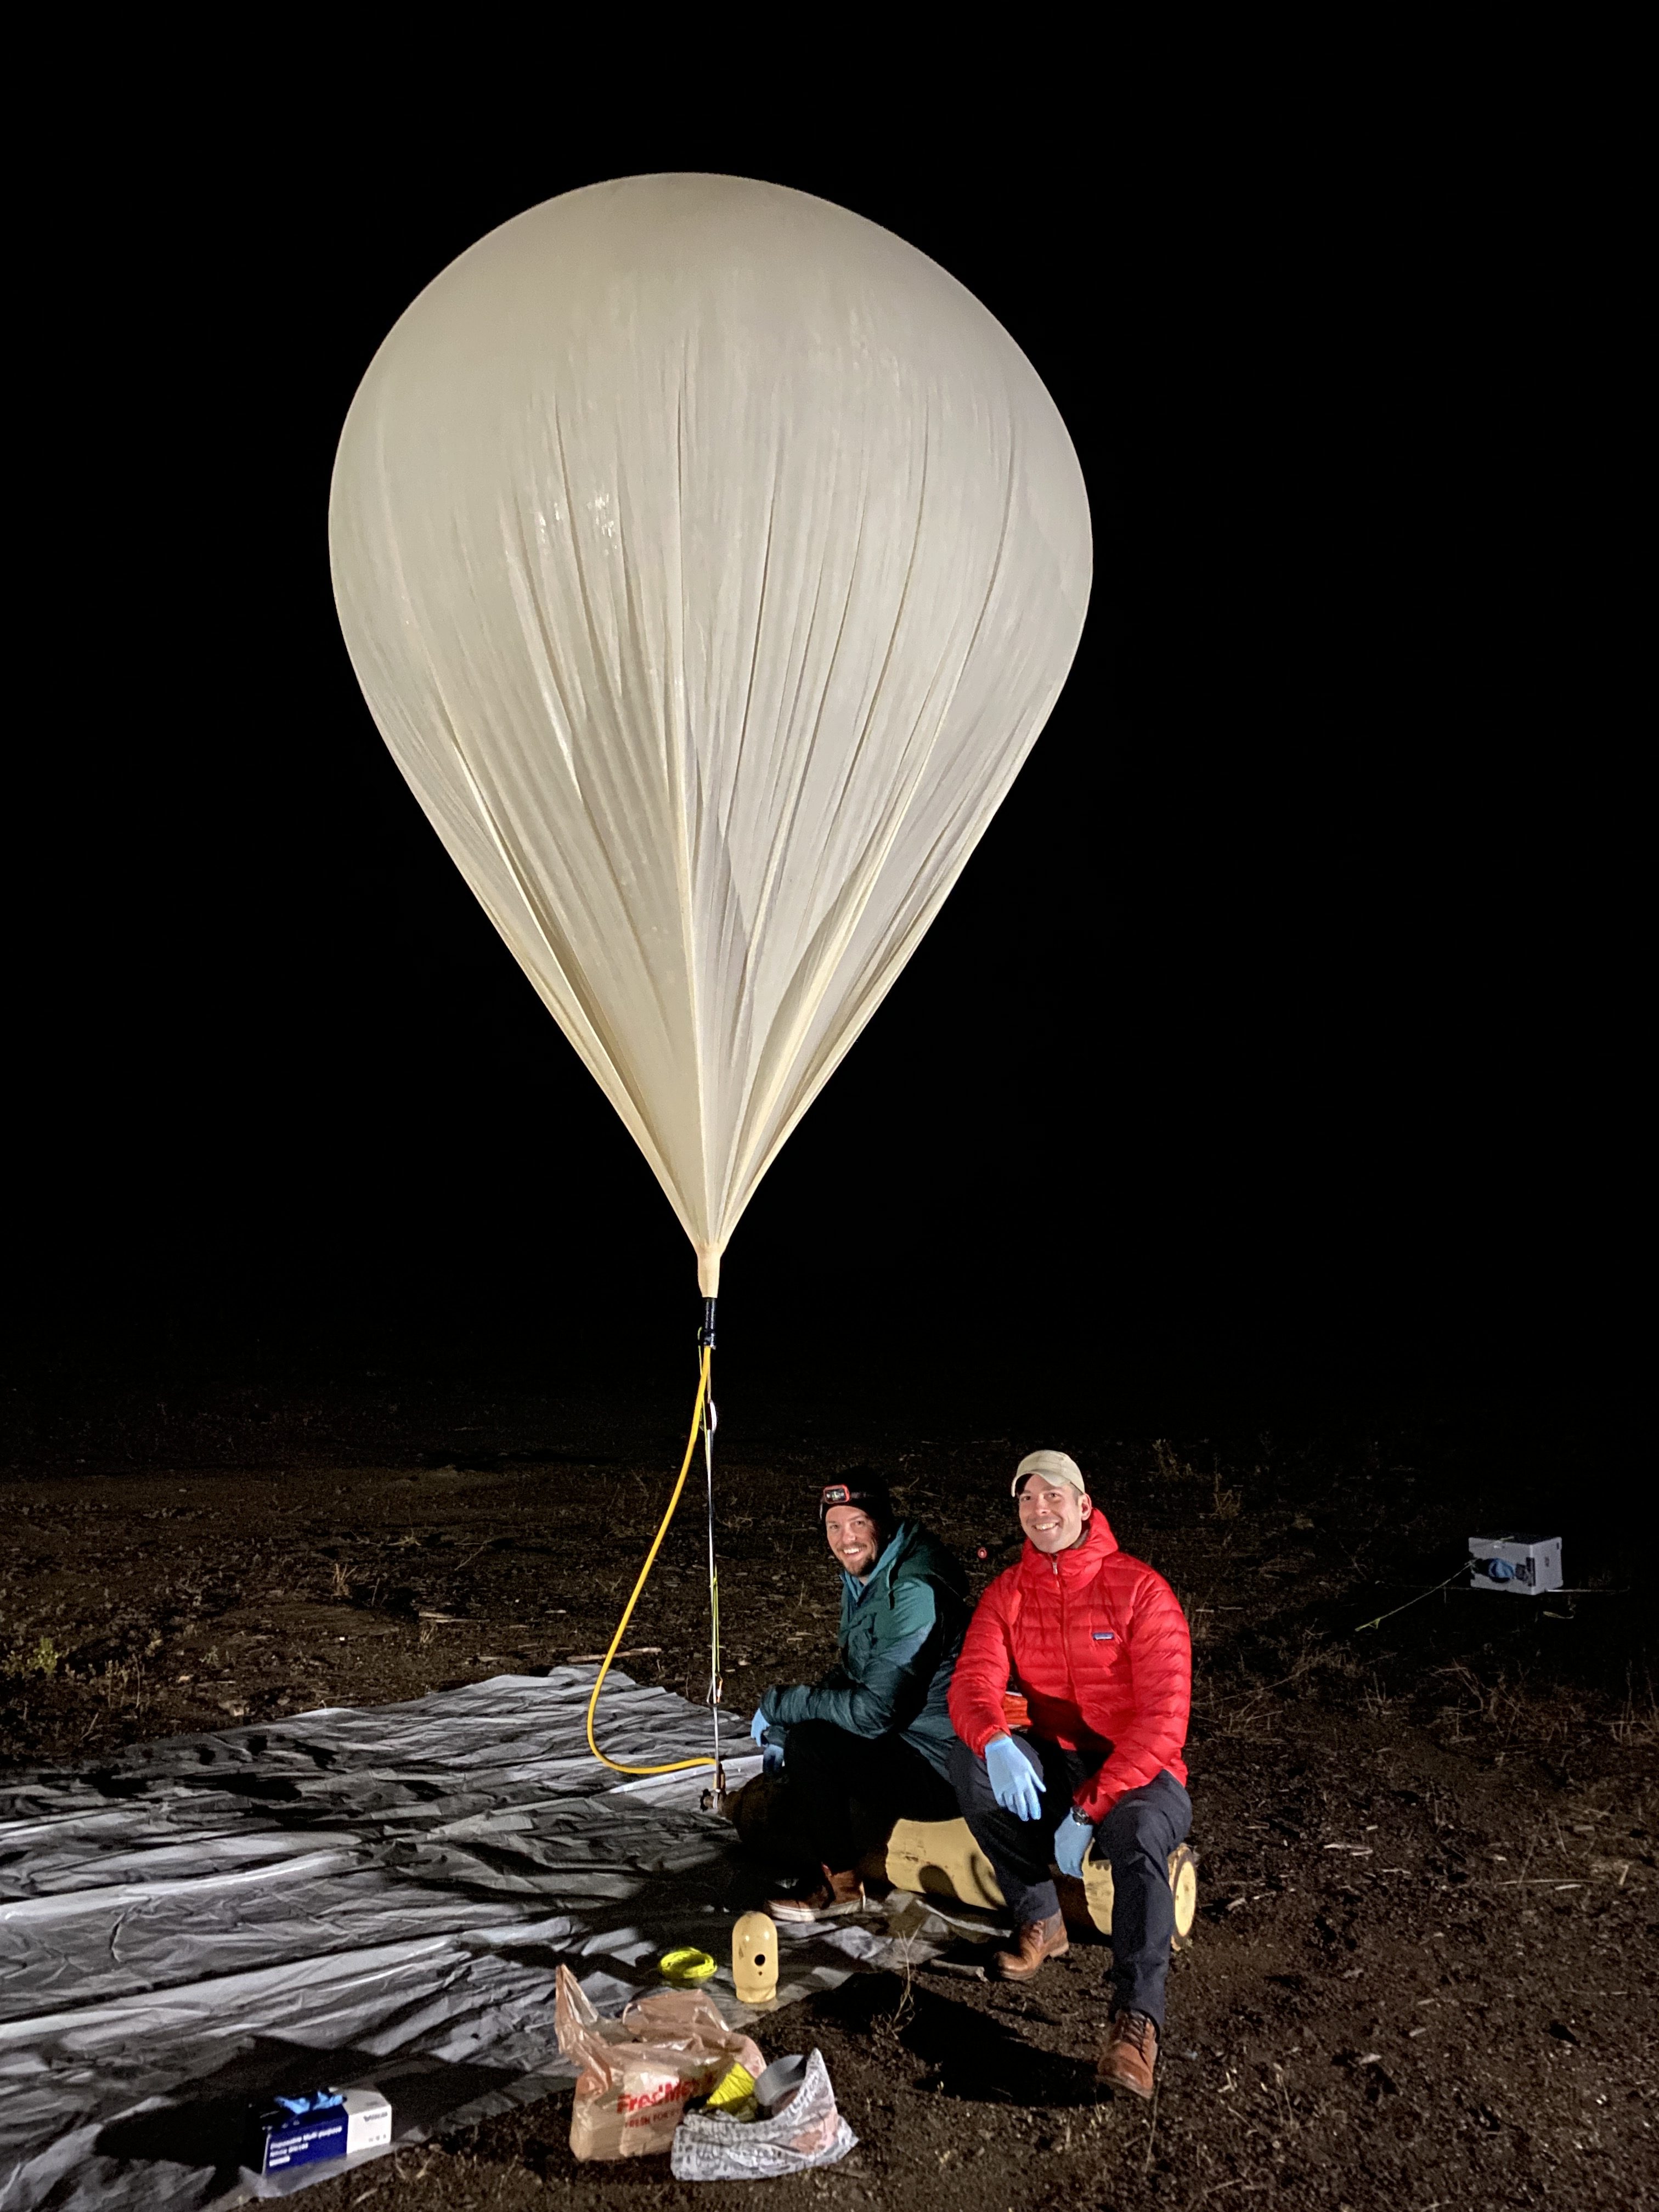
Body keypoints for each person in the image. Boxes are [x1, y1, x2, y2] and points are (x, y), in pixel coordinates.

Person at [947, 1449, 1192, 2101]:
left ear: (1084, 1506)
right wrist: (995, 1740)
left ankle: (1136, 2022)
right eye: (1027, 1499)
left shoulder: (1140, 1590)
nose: (1039, 1510)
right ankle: (1040, 1914)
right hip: (1059, 1757)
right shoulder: (1009, 1592)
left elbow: (1165, 1720)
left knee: (1138, 1836)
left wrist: (1090, 1808)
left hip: (1140, 1768)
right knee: (969, 1763)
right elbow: (972, 1681)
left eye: (1053, 1496)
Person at [749, 1471, 967, 1922]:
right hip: (905, 1739)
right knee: (806, 1737)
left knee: (812, 1746)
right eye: (834, 1526)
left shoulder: (912, 1591)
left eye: (858, 1523)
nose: (845, 1539)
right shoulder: (871, 1577)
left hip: (940, 1763)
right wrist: (791, 1717)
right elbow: (855, 1671)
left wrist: (781, 1704)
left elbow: (873, 1714)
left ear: (882, 1523)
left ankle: (842, 1887)